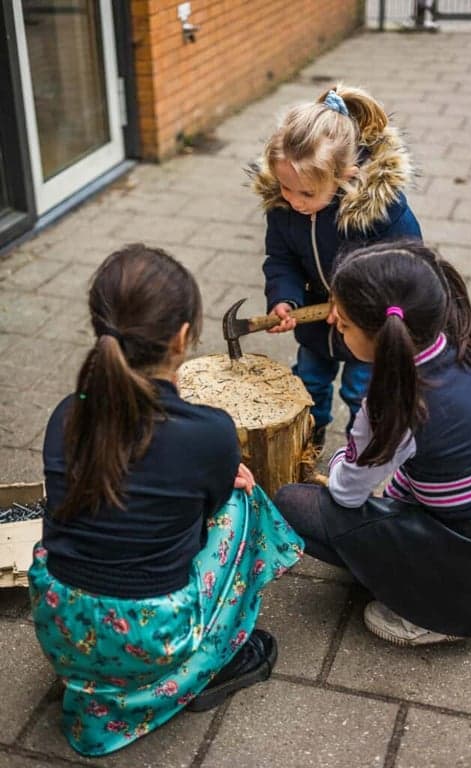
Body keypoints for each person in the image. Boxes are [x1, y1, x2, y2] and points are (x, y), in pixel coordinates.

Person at [28, 243, 303, 757]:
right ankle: (214, 660)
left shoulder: (66, 414)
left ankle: (102, 688)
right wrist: (225, 477)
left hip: (59, 626)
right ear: (182, 337)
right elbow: (196, 515)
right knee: (244, 501)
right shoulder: (208, 433)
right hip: (150, 640)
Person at [274, 240, 471, 646]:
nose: (335, 325)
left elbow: (347, 495)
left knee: (290, 502)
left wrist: (338, 464)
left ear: (381, 336)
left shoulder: (394, 401)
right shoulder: (455, 337)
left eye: (345, 323)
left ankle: (434, 610)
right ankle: (426, 566)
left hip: (458, 536)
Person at [251, 83, 422, 445]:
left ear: (345, 174)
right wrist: (285, 298)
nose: (294, 201)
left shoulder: (383, 213)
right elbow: (281, 260)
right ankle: (306, 449)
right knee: (308, 386)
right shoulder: (284, 210)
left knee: (361, 395)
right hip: (317, 328)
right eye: (285, 186)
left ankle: (360, 455)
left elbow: (408, 272)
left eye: (307, 193)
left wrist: (360, 307)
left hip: (366, 330)